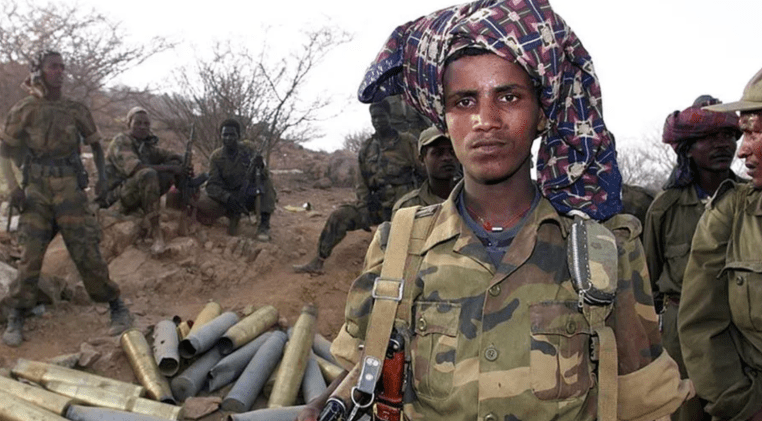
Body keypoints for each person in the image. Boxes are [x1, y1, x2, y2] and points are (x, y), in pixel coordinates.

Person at [299, 1, 694, 420]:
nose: (485, 120)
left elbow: (644, 404)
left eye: (508, 97)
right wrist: (322, 404)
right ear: (443, 117)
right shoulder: (399, 245)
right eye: (464, 101)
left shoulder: (603, 248)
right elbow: (370, 365)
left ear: (542, 114)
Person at [0, 50, 133, 347]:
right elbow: (3, 153)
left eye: (62, 67)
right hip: (36, 189)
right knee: (30, 252)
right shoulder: (25, 109)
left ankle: (116, 306)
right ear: (39, 71)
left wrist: (103, 182)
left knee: (86, 250)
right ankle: (18, 312)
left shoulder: (76, 109)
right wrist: (13, 188)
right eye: (52, 67)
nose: (59, 71)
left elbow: (97, 147)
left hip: (70, 187)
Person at [643, 95, 743, 421]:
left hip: (740, 329)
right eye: (709, 137)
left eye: (729, 136)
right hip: (680, 334)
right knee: (685, 411)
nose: (722, 144)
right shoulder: (665, 208)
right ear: (687, 147)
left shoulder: (750, 201)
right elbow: (650, 277)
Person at [679, 68, 762, 421]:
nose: (741, 151)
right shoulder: (730, 212)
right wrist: (743, 407)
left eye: (754, 133)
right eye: (744, 132)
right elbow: (701, 323)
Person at [292, 101, 424, 274]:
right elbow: (361, 181)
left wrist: (419, 200)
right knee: (340, 216)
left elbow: (423, 172)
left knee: (401, 237)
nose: (377, 120)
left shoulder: (407, 142)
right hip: (376, 205)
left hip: (404, 204)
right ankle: (319, 260)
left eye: (381, 116)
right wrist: (364, 204)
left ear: (389, 117)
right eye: (374, 117)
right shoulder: (367, 147)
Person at [103, 107, 186, 255]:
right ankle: (156, 233)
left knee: (171, 168)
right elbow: (136, 167)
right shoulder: (121, 141)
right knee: (149, 174)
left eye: (146, 124)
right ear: (129, 124)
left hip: (133, 192)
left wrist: (182, 160)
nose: (143, 127)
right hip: (117, 196)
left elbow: (167, 154)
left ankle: (181, 210)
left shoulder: (145, 144)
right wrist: (170, 168)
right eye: (138, 123)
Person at [195, 118, 276, 241]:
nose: (228, 138)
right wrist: (228, 198)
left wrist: (260, 166)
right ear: (221, 136)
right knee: (203, 202)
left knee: (266, 184)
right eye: (225, 135)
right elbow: (212, 185)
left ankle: (264, 225)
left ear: (238, 136)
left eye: (232, 135)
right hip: (228, 196)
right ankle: (231, 215)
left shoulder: (248, 149)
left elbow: (264, 174)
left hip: (248, 193)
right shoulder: (216, 157)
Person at [391, 126, 458, 215]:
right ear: (422, 159)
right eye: (438, 153)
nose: (447, 158)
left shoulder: (474, 199)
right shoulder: (408, 207)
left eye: (452, 151)